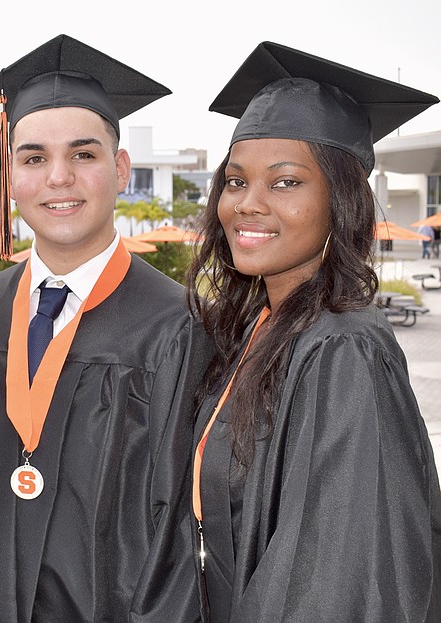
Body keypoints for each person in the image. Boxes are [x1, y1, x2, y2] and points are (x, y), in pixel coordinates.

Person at [0, 34, 212, 621]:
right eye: (34, 157)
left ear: (120, 168)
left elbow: (176, 534)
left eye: (84, 154)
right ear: (11, 176)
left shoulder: (177, 324)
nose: (59, 178)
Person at [186, 41, 441, 622]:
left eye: (285, 183)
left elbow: (338, 578)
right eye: (234, 182)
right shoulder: (260, 327)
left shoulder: (343, 348)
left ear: (341, 202)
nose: (246, 205)